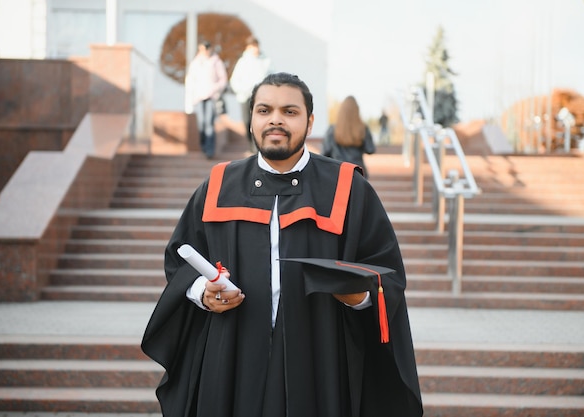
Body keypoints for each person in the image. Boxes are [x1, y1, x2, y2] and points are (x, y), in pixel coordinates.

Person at [141, 72, 423, 417]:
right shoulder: (218, 184)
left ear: (310, 122)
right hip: (232, 352)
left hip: (319, 356)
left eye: (290, 111)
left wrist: (360, 295)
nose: (275, 119)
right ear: (251, 120)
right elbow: (180, 259)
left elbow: (387, 273)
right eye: (264, 110)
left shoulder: (348, 187)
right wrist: (202, 290)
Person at [184, 40, 228, 158]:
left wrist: (215, 88)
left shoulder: (216, 62)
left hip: (211, 96)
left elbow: (223, 79)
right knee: (202, 123)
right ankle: (203, 145)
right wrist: (190, 98)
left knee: (209, 122)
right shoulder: (195, 63)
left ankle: (210, 149)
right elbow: (191, 80)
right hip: (199, 97)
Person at [229, 36, 273, 152]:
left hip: (261, 97)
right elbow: (234, 80)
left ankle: (257, 146)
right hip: (245, 96)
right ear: (248, 48)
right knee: (247, 121)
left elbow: (273, 77)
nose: (255, 49)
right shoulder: (242, 62)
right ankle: (251, 145)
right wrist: (242, 90)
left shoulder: (265, 61)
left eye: (256, 46)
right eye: (252, 47)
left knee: (258, 121)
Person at [322, 96, 376, 178]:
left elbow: (325, 153)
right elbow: (370, 149)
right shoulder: (362, 129)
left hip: (337, 172)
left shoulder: (332, 130)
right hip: (358, 173)